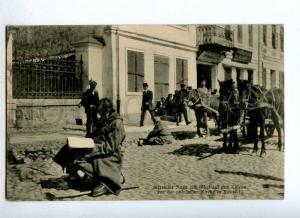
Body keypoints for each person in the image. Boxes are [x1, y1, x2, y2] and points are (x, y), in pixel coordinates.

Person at [54, 98, 126, 197]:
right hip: (97, 149)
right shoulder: (104, 119)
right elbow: (93, 136)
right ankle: (80, 178)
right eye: (99, 113)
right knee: (72, 152)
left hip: (109, 156)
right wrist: (83, 142)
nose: (100, 116)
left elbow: (110, 147)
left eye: (102, 113)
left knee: (82, 157)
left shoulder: (117, 123)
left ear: (108, 111)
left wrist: (92, 148)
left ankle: (106, 181)